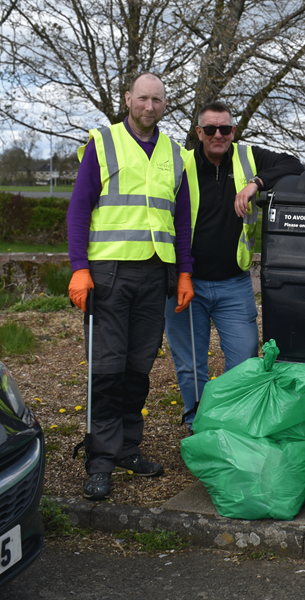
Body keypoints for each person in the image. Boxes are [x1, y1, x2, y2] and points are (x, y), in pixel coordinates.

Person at [67, 72, 194, 501]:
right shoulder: (103, 143)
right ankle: (100, 459)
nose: (149, 107)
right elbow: (79, 210)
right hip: (108, 274)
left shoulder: (176, 154)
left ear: (165, 104)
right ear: (128, 99)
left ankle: (126, 447)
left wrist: (184, 273)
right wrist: (79, 267)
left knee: (139, 365)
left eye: (157, 100)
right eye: (143, 98)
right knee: (107, 365)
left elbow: (181, 221)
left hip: (156, 271)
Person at [164, 101, 305, 432]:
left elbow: (293, 165)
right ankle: (199, 426)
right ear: (198, 132)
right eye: (210, 129)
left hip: (233, 284)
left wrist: (256, 182)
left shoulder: (246, 157)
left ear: (233, 131)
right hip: (187, 283)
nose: (218, 135)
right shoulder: (179, 163)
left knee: (244, 360)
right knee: (191, 364)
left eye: (225, 129)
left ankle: (233, 423)